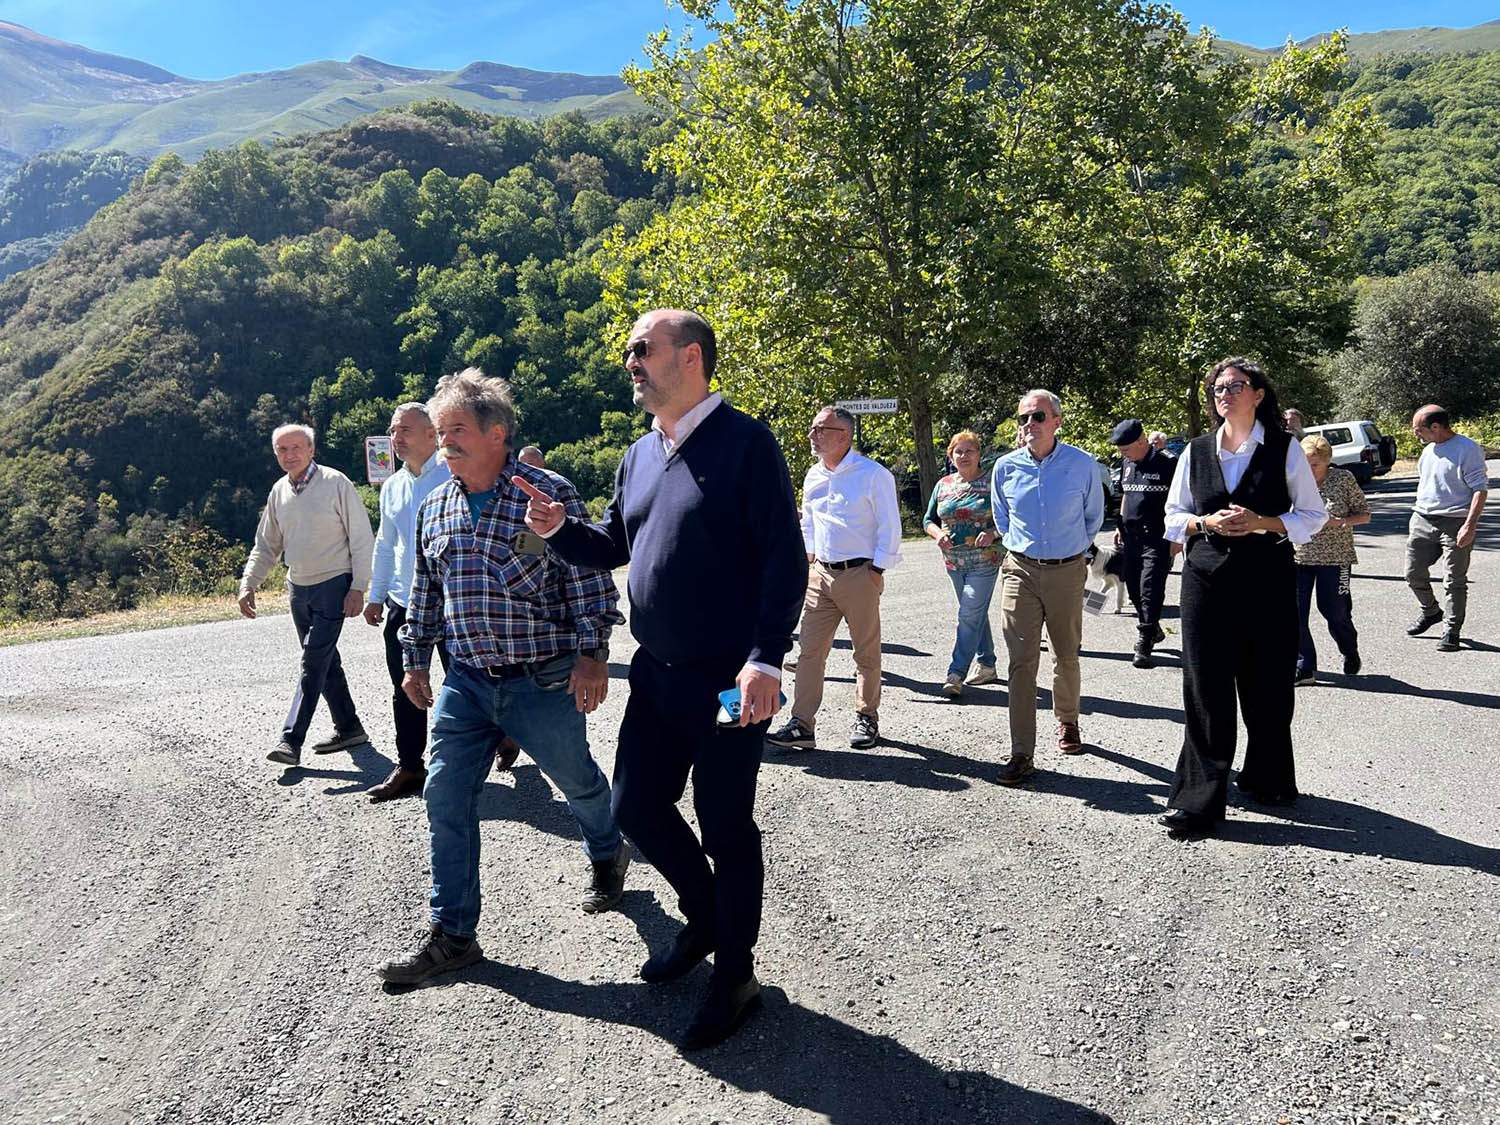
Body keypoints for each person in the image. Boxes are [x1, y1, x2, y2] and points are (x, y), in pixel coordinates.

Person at [520, 309, 806, 1051]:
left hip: (727, 680)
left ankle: (735, 974)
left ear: (691, 357)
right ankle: (706, 916)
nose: (630, 362)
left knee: (725, 824)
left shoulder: (746, 444)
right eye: (629, 352)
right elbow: (614, 540)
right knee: (635, 806)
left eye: (641, 349)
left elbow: (784, 558)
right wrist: (558, 530)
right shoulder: (640, 453)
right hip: (657, 673)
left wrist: (767, 657)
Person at [376, 369, 630, 986]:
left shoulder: (547, 494)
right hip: (465, 682)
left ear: (498, 433)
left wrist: (593, 653)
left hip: (540, 680)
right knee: (444, 797)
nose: (445, 444)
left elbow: (588, 578)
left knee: (578, 781)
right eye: (440, 434)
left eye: (456, 430)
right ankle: (454, 935)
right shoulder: (436, 504)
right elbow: (425, 592)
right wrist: (414, 658)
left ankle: (607, 850)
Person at [1158, 358, 1327, 839]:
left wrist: (1262, 522)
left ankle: (1268, 777)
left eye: (1235, 386)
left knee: (1268, 683)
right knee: (1205, 687)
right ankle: (1198, 801)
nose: (1224, 393)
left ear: (1258, 393)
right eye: (1217, 388)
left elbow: (1310, 516)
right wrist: (1204, 523)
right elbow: (1173, 516)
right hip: (1205, 579)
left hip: (1267, 578)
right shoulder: (1194, 450)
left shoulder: (1284, 449)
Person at [765, 407, 901, 752]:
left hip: (860, 574)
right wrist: (809, 561)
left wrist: (876, 571)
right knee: (809, 652)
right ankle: (802, 724)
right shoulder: (814, 475)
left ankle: (866, 717)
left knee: (865, 653)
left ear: (844, 434)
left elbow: (890, 526)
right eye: (813, 428)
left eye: (820, 429)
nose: (813, 435)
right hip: (821, 574)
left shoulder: (873, 475)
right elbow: (809, 521)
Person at [239, 424, 374, 766]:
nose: (290, 455)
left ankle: (290, 740)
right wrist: (248, 583)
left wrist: (359, 586)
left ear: (312, 450)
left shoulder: (335, 483)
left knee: (312, 662)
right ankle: (350, 727)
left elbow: (361, 537)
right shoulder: (278, 492)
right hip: (297, 588)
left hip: (334, 584)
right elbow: (267, 545)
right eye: (282, 450)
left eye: (296, 447)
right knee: (325, 662)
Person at [989, 390, 1104, 784]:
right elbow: (1002, 520)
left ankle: (1068, 720)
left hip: (1067, 570)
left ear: (1056, 420)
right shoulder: (1005, 467)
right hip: (1019, 569)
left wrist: (1071, 554)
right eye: (1023, 418)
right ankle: (1021, 751)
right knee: (1021, 661)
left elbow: (1093, 518)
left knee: (1065, 653)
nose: (1029, 425)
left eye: (1038, 417)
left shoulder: (1082, 464)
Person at [922, 430, 1003, 698]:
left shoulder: (993, 482)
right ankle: (987, 664)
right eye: (959, 451)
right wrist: (938, 534)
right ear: (950, 455)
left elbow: (1012, 517)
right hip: (954, 562)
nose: (964, 456)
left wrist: (993, 533)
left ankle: (955, 672)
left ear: (979, 454)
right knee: (973, 612)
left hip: (985, 559)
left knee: (968, 613)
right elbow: (928, 520)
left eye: (970, 451)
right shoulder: (943, 484)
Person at [1406, 405, 1489, 652]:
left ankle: (1451, 630)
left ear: (1435, 427)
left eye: (1418, 429)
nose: (1416, 435)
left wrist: (1469, 525)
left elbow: (1479, 490)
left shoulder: (1467, 449)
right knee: (1412, 573)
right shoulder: (1428, 450)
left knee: (1454, 580)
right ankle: (1431, 611)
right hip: (1423, 518)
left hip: (1456, 521)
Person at [1294, 435, 1370, 684]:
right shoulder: (1293, 481)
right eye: (1305, 463)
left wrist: (1340, 522)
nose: (1309, 469)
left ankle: (1349, 649)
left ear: (1327, 461)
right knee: (1295, 613)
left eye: (1314, 464)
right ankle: (1305, 666)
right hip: (1299, 556)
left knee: (1334, 610)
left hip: (1336, 557)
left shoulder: (1343, 479)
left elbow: (1364, 515)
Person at [1109, 419, 1174, 668]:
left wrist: (1179, 537)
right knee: (1134, 588)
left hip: (1158, 536)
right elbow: (1127, 494)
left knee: (1150, 588)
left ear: (1141, 441)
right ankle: (1153, 627)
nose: (1122, 454)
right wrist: (1120, 524)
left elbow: (1182, 500)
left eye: (1125, 448)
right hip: (1131, 536)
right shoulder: (1128, 462)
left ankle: (1144, 641)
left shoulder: (1167, 462)